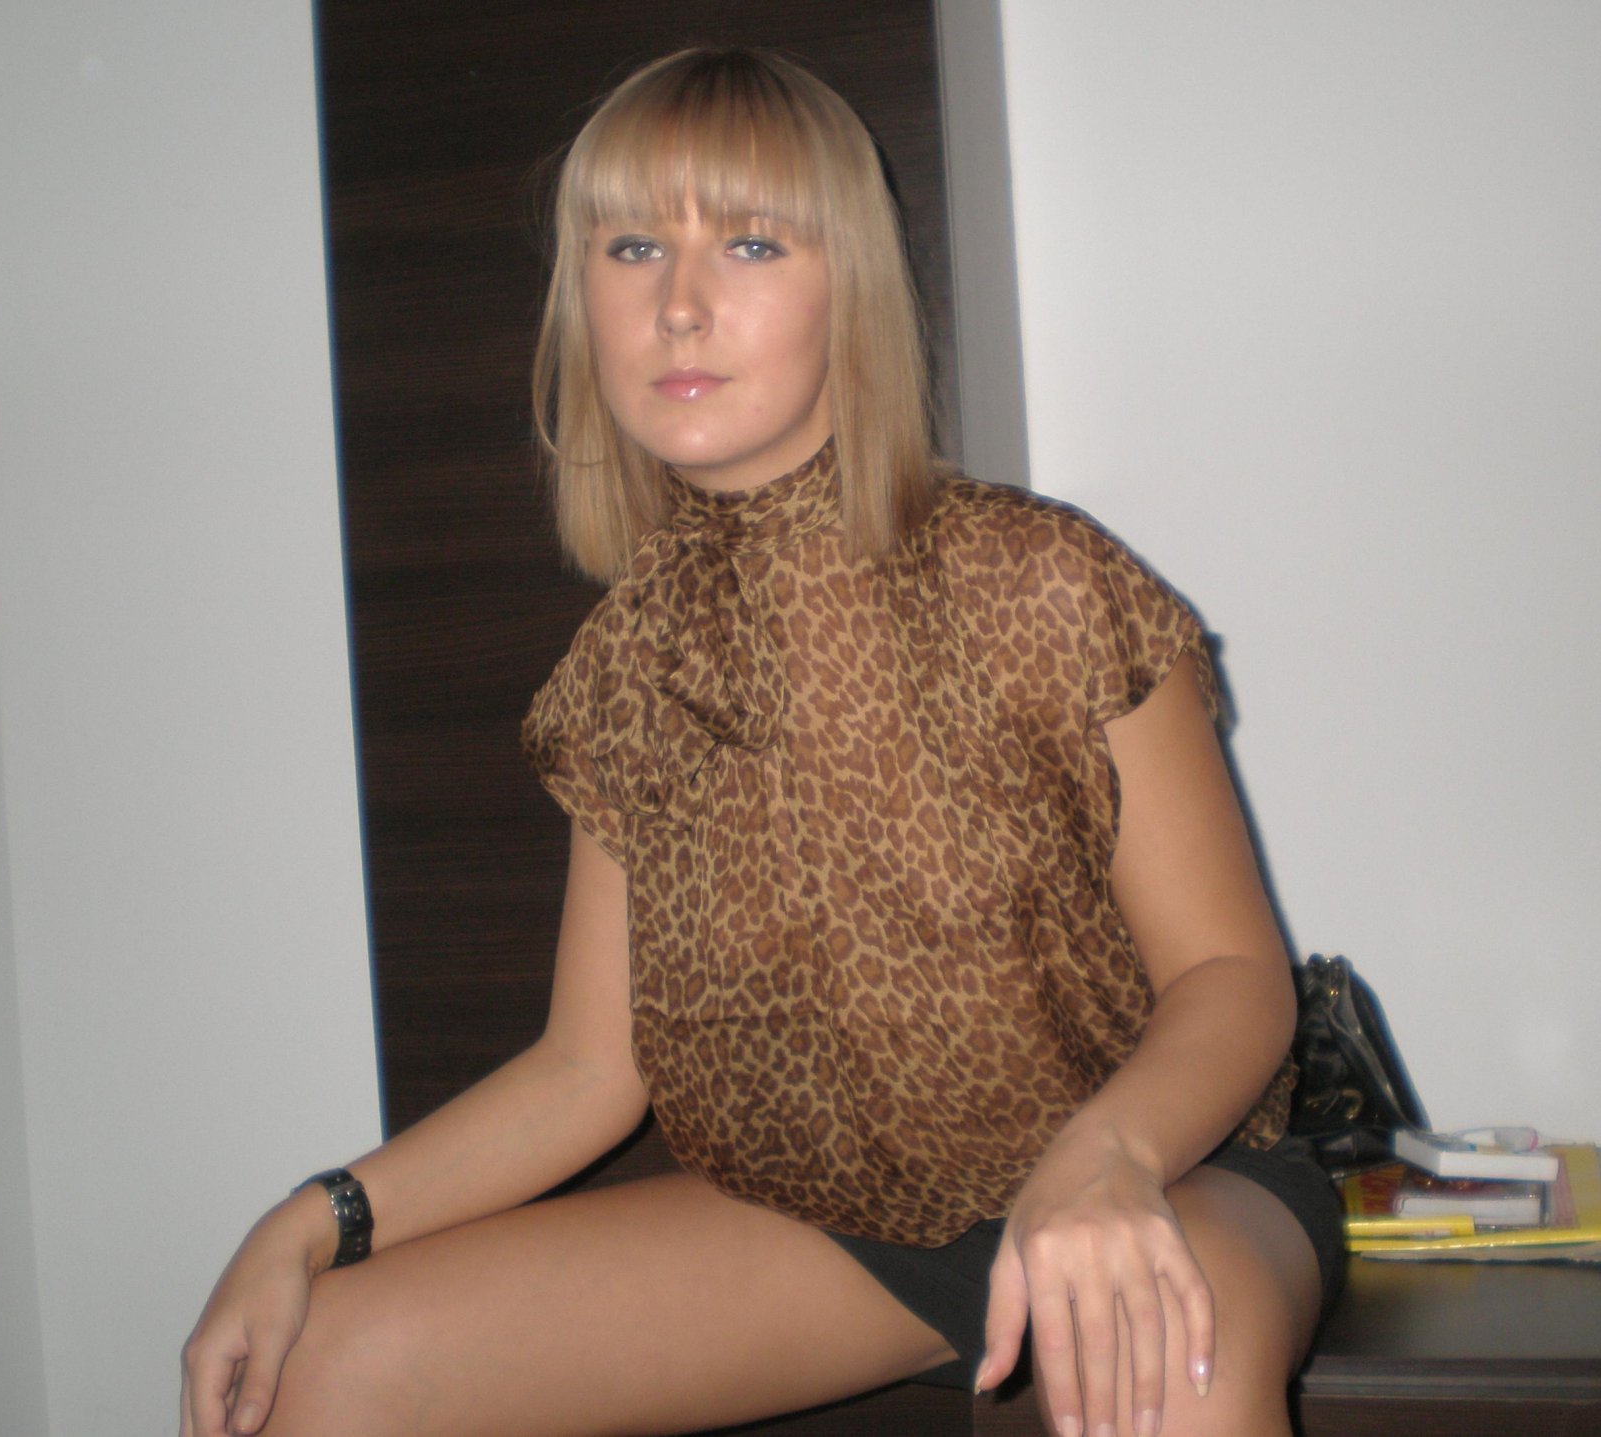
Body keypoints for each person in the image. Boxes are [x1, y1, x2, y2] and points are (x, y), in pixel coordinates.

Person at [180, 46, 1343, 1437]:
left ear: (849, 285)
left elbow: (1231, 976)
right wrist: (310, 1221)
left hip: (1167, 1172)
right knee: (312, 1372)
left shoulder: (1045, 578)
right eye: (631, 246)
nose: (678, 303)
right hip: (844, 1227)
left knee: (1168, 1374)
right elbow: (587, 1070)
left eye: (748, 241)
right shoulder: (623, 672)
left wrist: (1105, 1157)